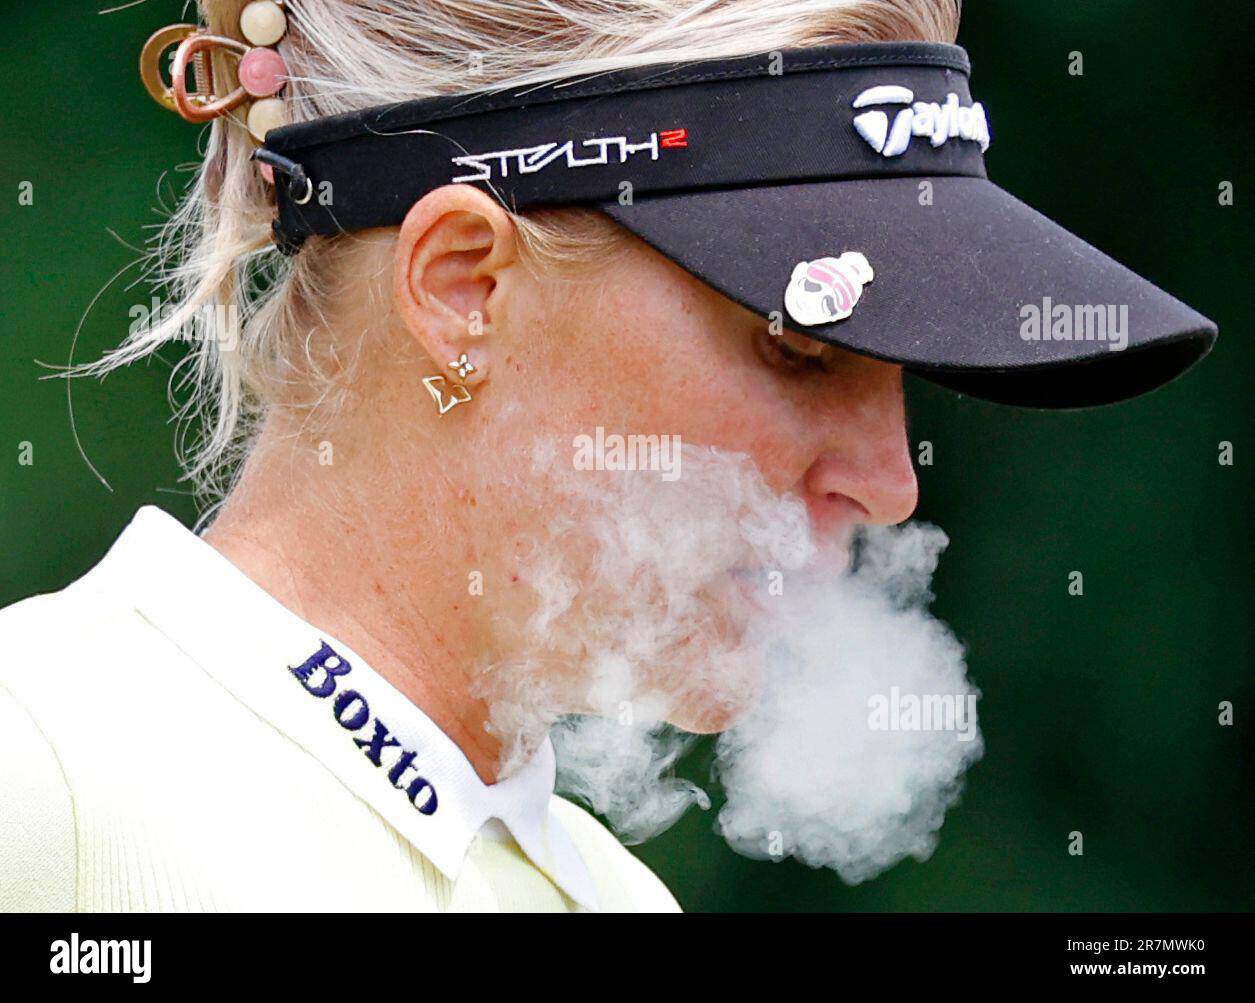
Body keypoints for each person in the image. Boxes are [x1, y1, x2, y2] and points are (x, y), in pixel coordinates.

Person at [0, 0, 1214, 913]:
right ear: (464, 286)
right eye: (798, 348)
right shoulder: (36, 769)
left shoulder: (614, 895)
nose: (890, 484)